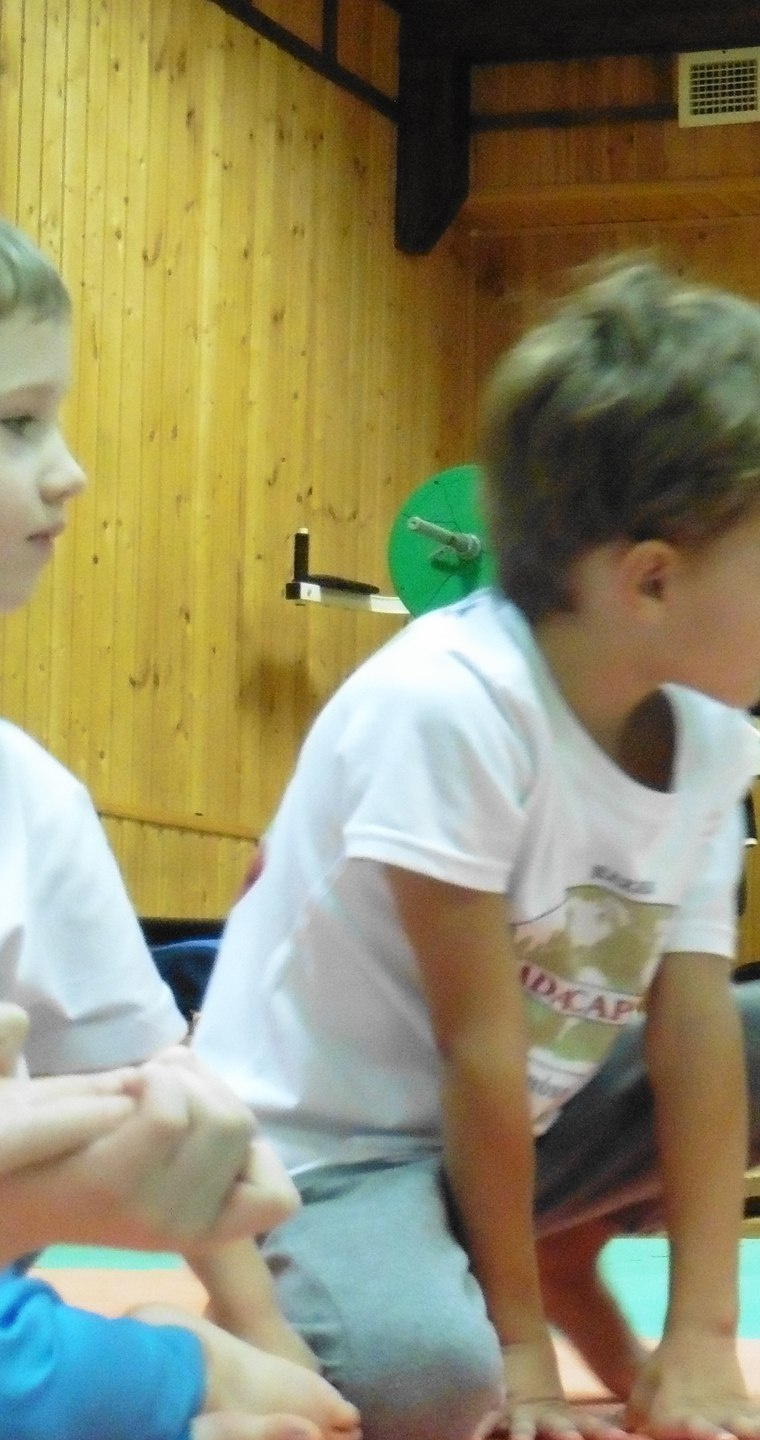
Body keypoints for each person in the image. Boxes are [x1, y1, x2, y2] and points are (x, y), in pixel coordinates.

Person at [190, 258, 760, 1440]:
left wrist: (701, 1347)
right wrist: (519, 1355)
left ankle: (542, 1248)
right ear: (652, 580)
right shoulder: (451, 705)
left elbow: (693, 1030)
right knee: (428, 1385)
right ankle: (361, 1290)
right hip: (331, 1154)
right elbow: (480, 1047)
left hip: (521, 1129)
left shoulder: (707, 738)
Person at [0, 218, 357, 1440]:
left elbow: (160, 1090)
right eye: (14, 426)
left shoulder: (26, 797)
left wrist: (271, 1346)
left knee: (287, 1396)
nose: (70, 472)